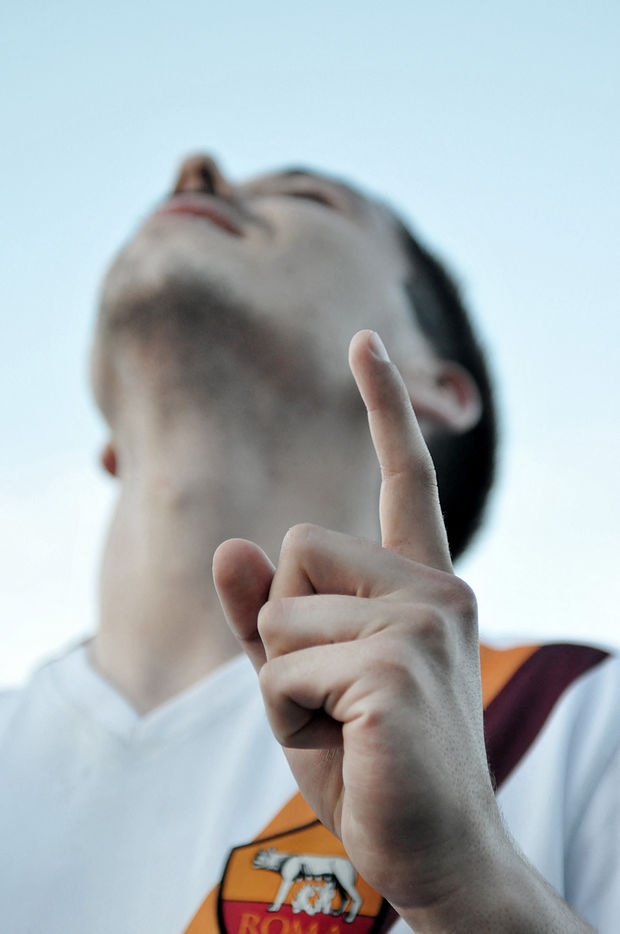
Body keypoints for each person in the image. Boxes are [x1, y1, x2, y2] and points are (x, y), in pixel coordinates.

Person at [0, 154, 617, 933]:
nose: (196, 169)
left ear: (435, 383)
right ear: (111, 442)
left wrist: (466, 886)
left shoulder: (572, 714)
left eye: (304, 197)